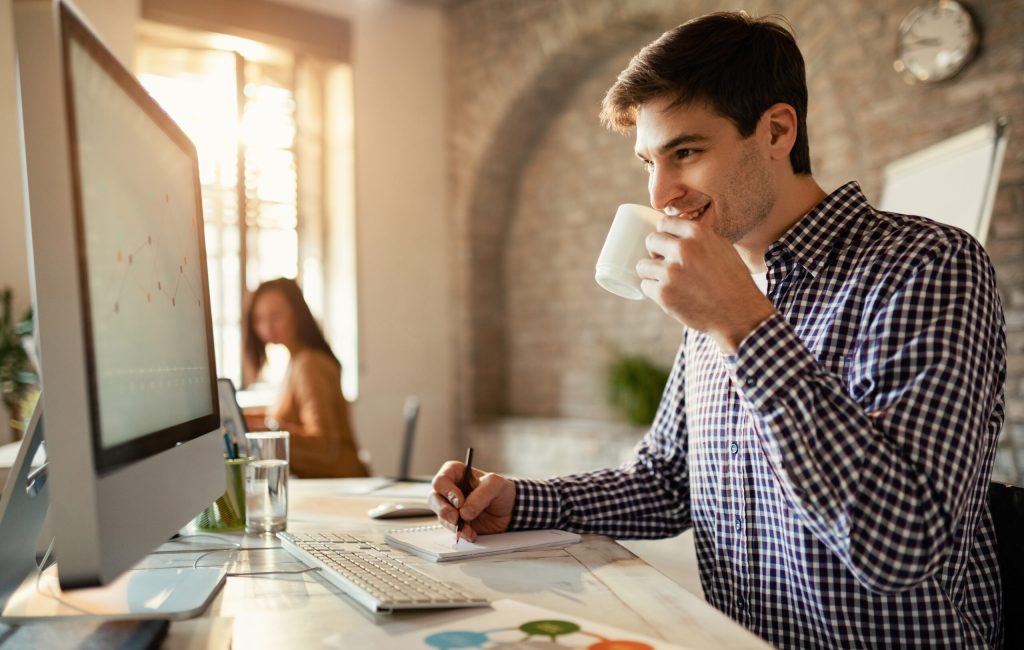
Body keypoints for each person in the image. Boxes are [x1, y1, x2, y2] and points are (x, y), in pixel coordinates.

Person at [430, 12, 1005, 650]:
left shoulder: (925, 265)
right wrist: (520, 502)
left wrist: (740, 322)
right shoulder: (720, 294)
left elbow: (902, 545)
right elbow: (666, 482)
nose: (662, 191)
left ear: (777, 131)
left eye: (686, 151)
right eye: (649, 160)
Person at [244, 277, 369, 478]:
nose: (267, 326)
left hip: (340, 485)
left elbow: (324, 447)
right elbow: (290, 416)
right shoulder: (296, 360)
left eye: (275, 316)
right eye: (259, 319)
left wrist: (269, 430)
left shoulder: (309, 365)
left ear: (297, 314)